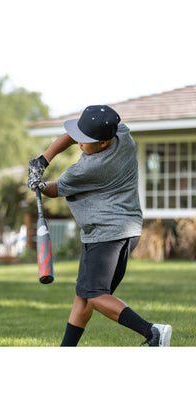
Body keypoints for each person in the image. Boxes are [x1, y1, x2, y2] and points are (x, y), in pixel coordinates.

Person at [28, 105, 172, 347]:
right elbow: (76, 135)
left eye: (86, 141)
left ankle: (153, 332)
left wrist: (40, 186)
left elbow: (56, 190)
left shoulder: (86, 169)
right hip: (127, 230)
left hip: (105, 234)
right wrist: (43, 159)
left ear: (103, 143)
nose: (80, 143)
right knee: (84, 296)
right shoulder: (122, 135)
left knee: (95, 296)